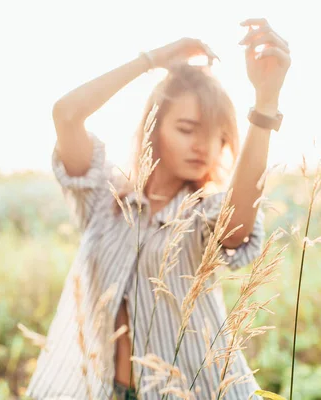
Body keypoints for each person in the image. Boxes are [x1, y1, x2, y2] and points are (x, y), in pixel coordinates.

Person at [27, 17, 290, 400]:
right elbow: (66, 114)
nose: (204, 147)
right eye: (187, 129)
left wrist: (266, 102)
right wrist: (152, 60)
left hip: (196, 391)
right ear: (154, 128)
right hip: (100, 390)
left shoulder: (202, 213)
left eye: (218, 137)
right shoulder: (105, 199)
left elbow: (234, 228)